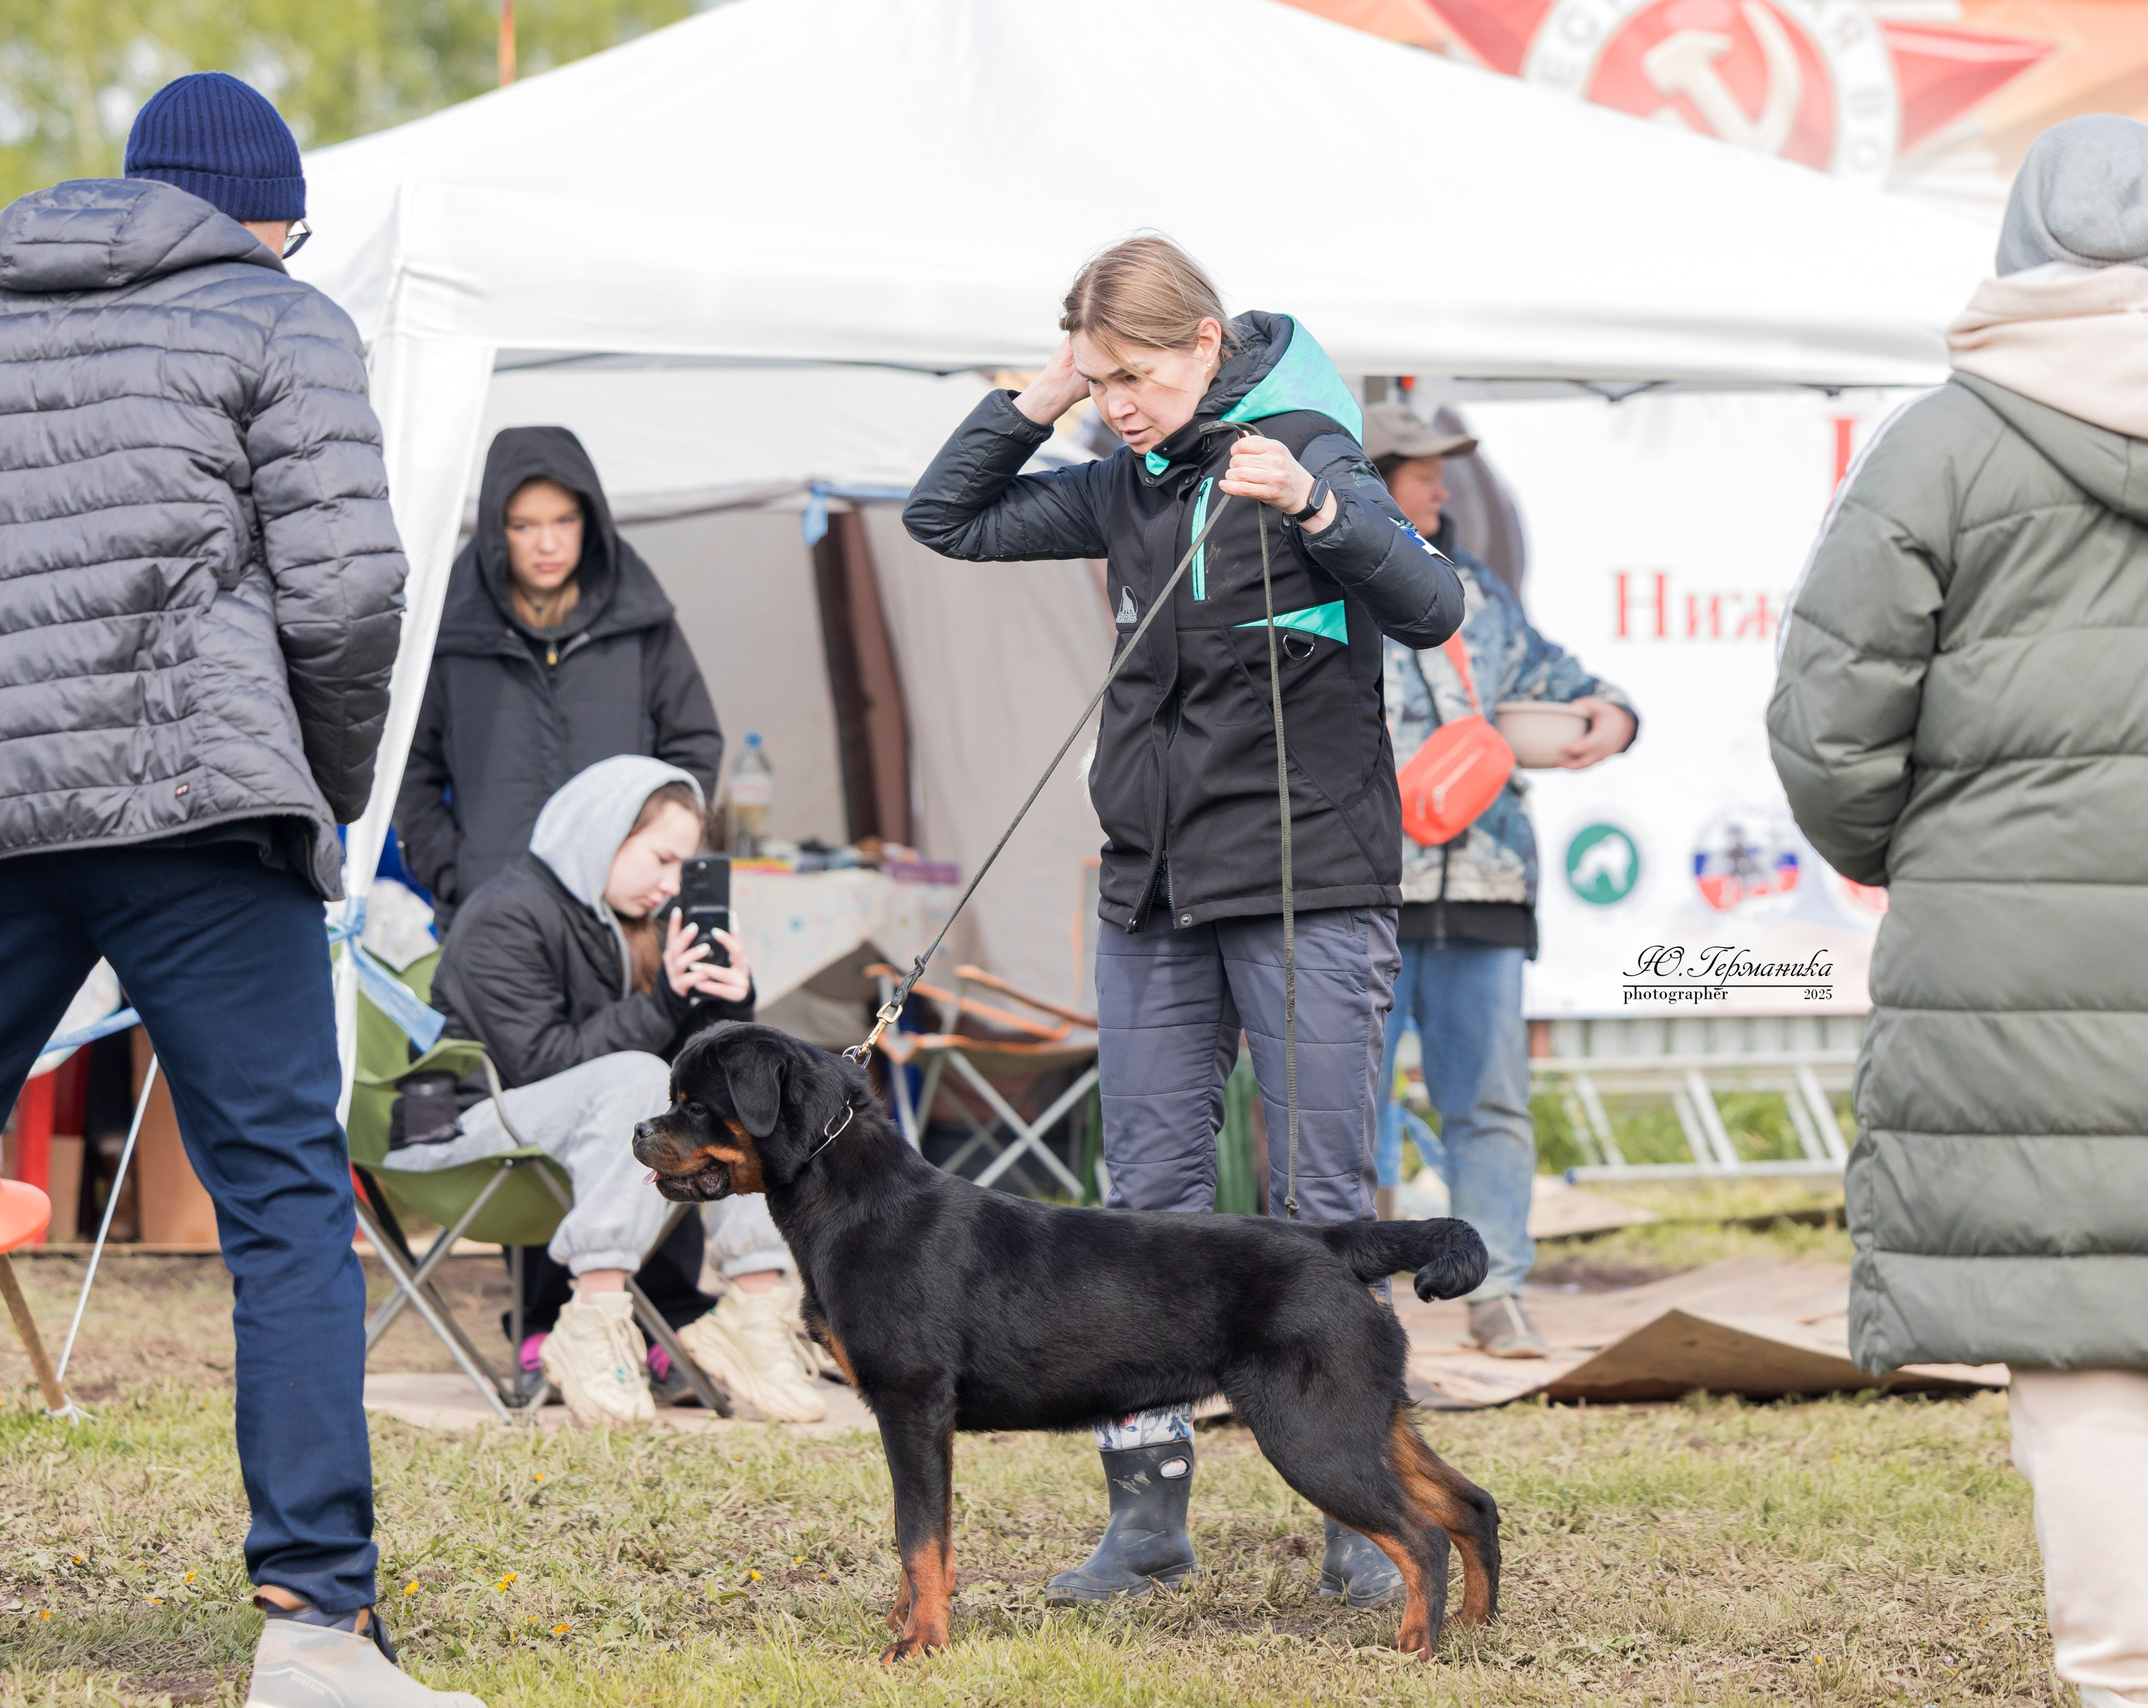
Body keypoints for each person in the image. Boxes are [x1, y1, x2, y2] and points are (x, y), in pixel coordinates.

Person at [0, 75, 481, 1708]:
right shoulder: (279, 319)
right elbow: (348, 594)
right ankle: (317, 1631)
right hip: (205, 809)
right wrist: (317, 788)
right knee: (279, 1199)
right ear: (261, 215)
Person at [904, 235, 1463, 1611]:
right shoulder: (1126, 480)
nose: (1116, 405)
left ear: (1208, 343)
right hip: (1151, 895)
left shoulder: (1310, 450)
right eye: (1099, 381)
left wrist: (1329, 517)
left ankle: (1359, 1506)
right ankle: (1146, 1519)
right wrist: (1043, 391)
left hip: (1304, 890)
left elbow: (1434, 604)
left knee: (1316, 1204)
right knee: (1141, 1213)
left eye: (1134, 376)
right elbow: (948, 517)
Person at [1768, 115, 2148, 1708]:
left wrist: (1920, 852)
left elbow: (1828, 727)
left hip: (2012, 951)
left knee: (2083, 1358)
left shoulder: (1941, 445)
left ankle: (2119, 1674)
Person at [390, 756, 826, 1426]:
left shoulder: (629, 922)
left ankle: (754, 1305)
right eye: (659, 859)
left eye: (683, 867)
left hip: (578, 1128)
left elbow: (678, 1058)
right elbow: (540, 1062)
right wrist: (663, 1000)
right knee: (637, 1077)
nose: (670, 884)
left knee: (734, 1081)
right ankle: (592, 1320)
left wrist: (731, 1003)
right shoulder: (504, 914)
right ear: (604, 833)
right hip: (470, 1120)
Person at [1365, 402, 1636, 1360]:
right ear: (1375, 474)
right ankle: (1356, 1301)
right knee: (1352, 1108)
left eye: (1441, 472)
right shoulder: (1325, 581)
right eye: (1422, 471)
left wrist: (1612, 716)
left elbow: (1565, 679)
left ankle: (1497, 1292)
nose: (1441, 488)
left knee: (1487, 1101)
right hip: (1364, 893)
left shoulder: (1474, 588)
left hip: (1485, 886)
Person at [392, 426, 723, 927]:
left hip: (622, 922)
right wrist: (456, 873)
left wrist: (657, 855)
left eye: (563, 520)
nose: (547, 543)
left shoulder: (642, 622)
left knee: (634, 1012)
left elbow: (695, 746)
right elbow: (407, 771)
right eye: (523, 525)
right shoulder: (451, 631)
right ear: (493, 528)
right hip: (490, 916)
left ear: (589, 520)